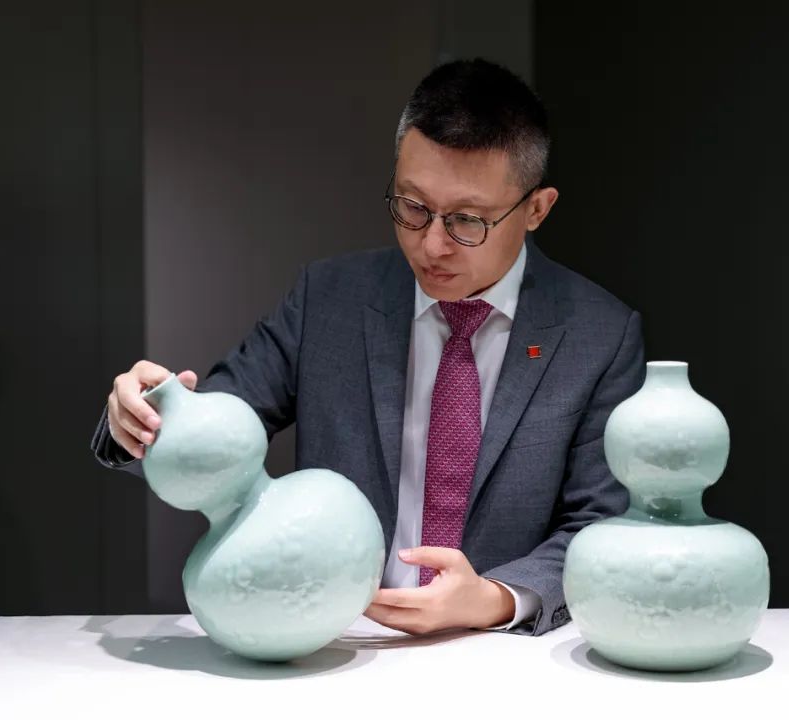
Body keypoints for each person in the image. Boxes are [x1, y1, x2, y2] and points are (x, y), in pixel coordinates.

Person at [90, 57, 645, 636]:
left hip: (501, 648)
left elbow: (601, 524)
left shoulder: (598, 334)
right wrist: (146, 420)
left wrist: (498, 599)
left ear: (536, 209)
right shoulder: (329, 300)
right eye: (412, 206)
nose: (432, 245)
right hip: (336, 639)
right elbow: (217, 438)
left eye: (467, 220)